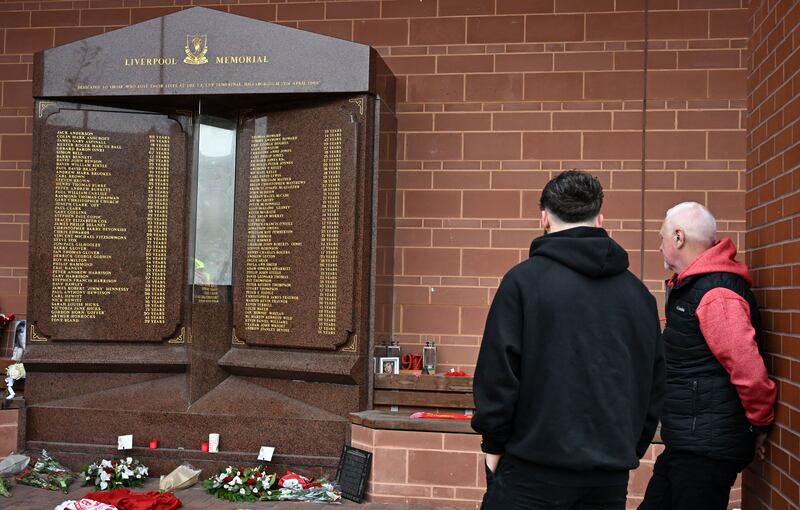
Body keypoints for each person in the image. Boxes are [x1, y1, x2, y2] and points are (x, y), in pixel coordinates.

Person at [472, 170, 664, 510]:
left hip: (532, 470)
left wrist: (493, 446)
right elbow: (654, 384)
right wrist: (628, 449)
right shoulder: (639, 296)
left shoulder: (522, 283)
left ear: (543, 217)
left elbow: (498, 375)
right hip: (608, 473)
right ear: (600, 218)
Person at [639, 202, 777, 510]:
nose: (659, 246)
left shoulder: (716, 293)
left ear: (678, 238)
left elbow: (749, 370)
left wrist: (759, 424)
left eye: (661, 237)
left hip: (706, 451)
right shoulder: (695, 286)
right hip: (688, 444)